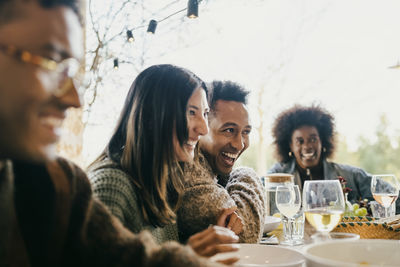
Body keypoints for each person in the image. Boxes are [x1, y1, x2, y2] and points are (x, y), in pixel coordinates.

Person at [0, 1, 228, 266]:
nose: (74, 99)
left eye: (71, 71)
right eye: (50, 62)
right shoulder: (106, 185)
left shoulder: (60, 184)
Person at [88, 64, 240, 263]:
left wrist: (201, 247)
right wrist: (187, 257)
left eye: (204, 113)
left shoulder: (164, 176)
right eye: (191, 112)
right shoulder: (111, 186)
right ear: (152, 117)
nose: (203, 129)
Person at [177, 80, 265, 243]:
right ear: (202, 129)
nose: (240, 144)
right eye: (229, 130)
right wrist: (246, 174)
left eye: (245, 132)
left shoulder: (209, 169)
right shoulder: (188, 173)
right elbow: (246, 237)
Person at [268, 104, 374, 204]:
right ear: (290, 145)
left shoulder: (349, 175)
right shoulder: (277, 174)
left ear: (322, 142)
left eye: (313, 139)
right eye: (300, 141)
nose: (307, 146)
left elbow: (384, 192)